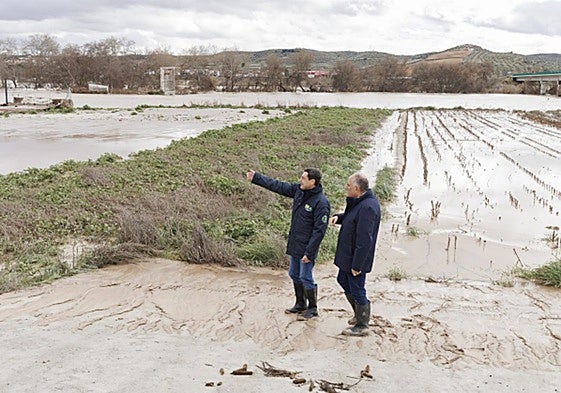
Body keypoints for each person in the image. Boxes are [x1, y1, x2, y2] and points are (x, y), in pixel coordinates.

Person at [246, 168, 330, 320]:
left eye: (303, 178)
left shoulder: (321, 203)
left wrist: (310, 252)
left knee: (306, 276)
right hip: (295, 243)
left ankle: (312, 308)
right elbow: (278, 185)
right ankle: (300, 303)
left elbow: (319, 231)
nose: (300, 180)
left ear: (312, 182)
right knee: (293, 274)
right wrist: (256, 178)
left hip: (307, 248)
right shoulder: (298, 191)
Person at [329, 172, 381, 336]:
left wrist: (357, 265)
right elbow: (352, 218)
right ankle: (359, 314)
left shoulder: (368, 208)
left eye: (348, 186)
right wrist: (339, 218)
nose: (346, 187)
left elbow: (365, 240)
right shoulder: (360, 202)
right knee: (342, 280)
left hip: (356, 258)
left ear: (357, 189)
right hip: (348, 255)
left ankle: (362, 325)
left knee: (357, 288)